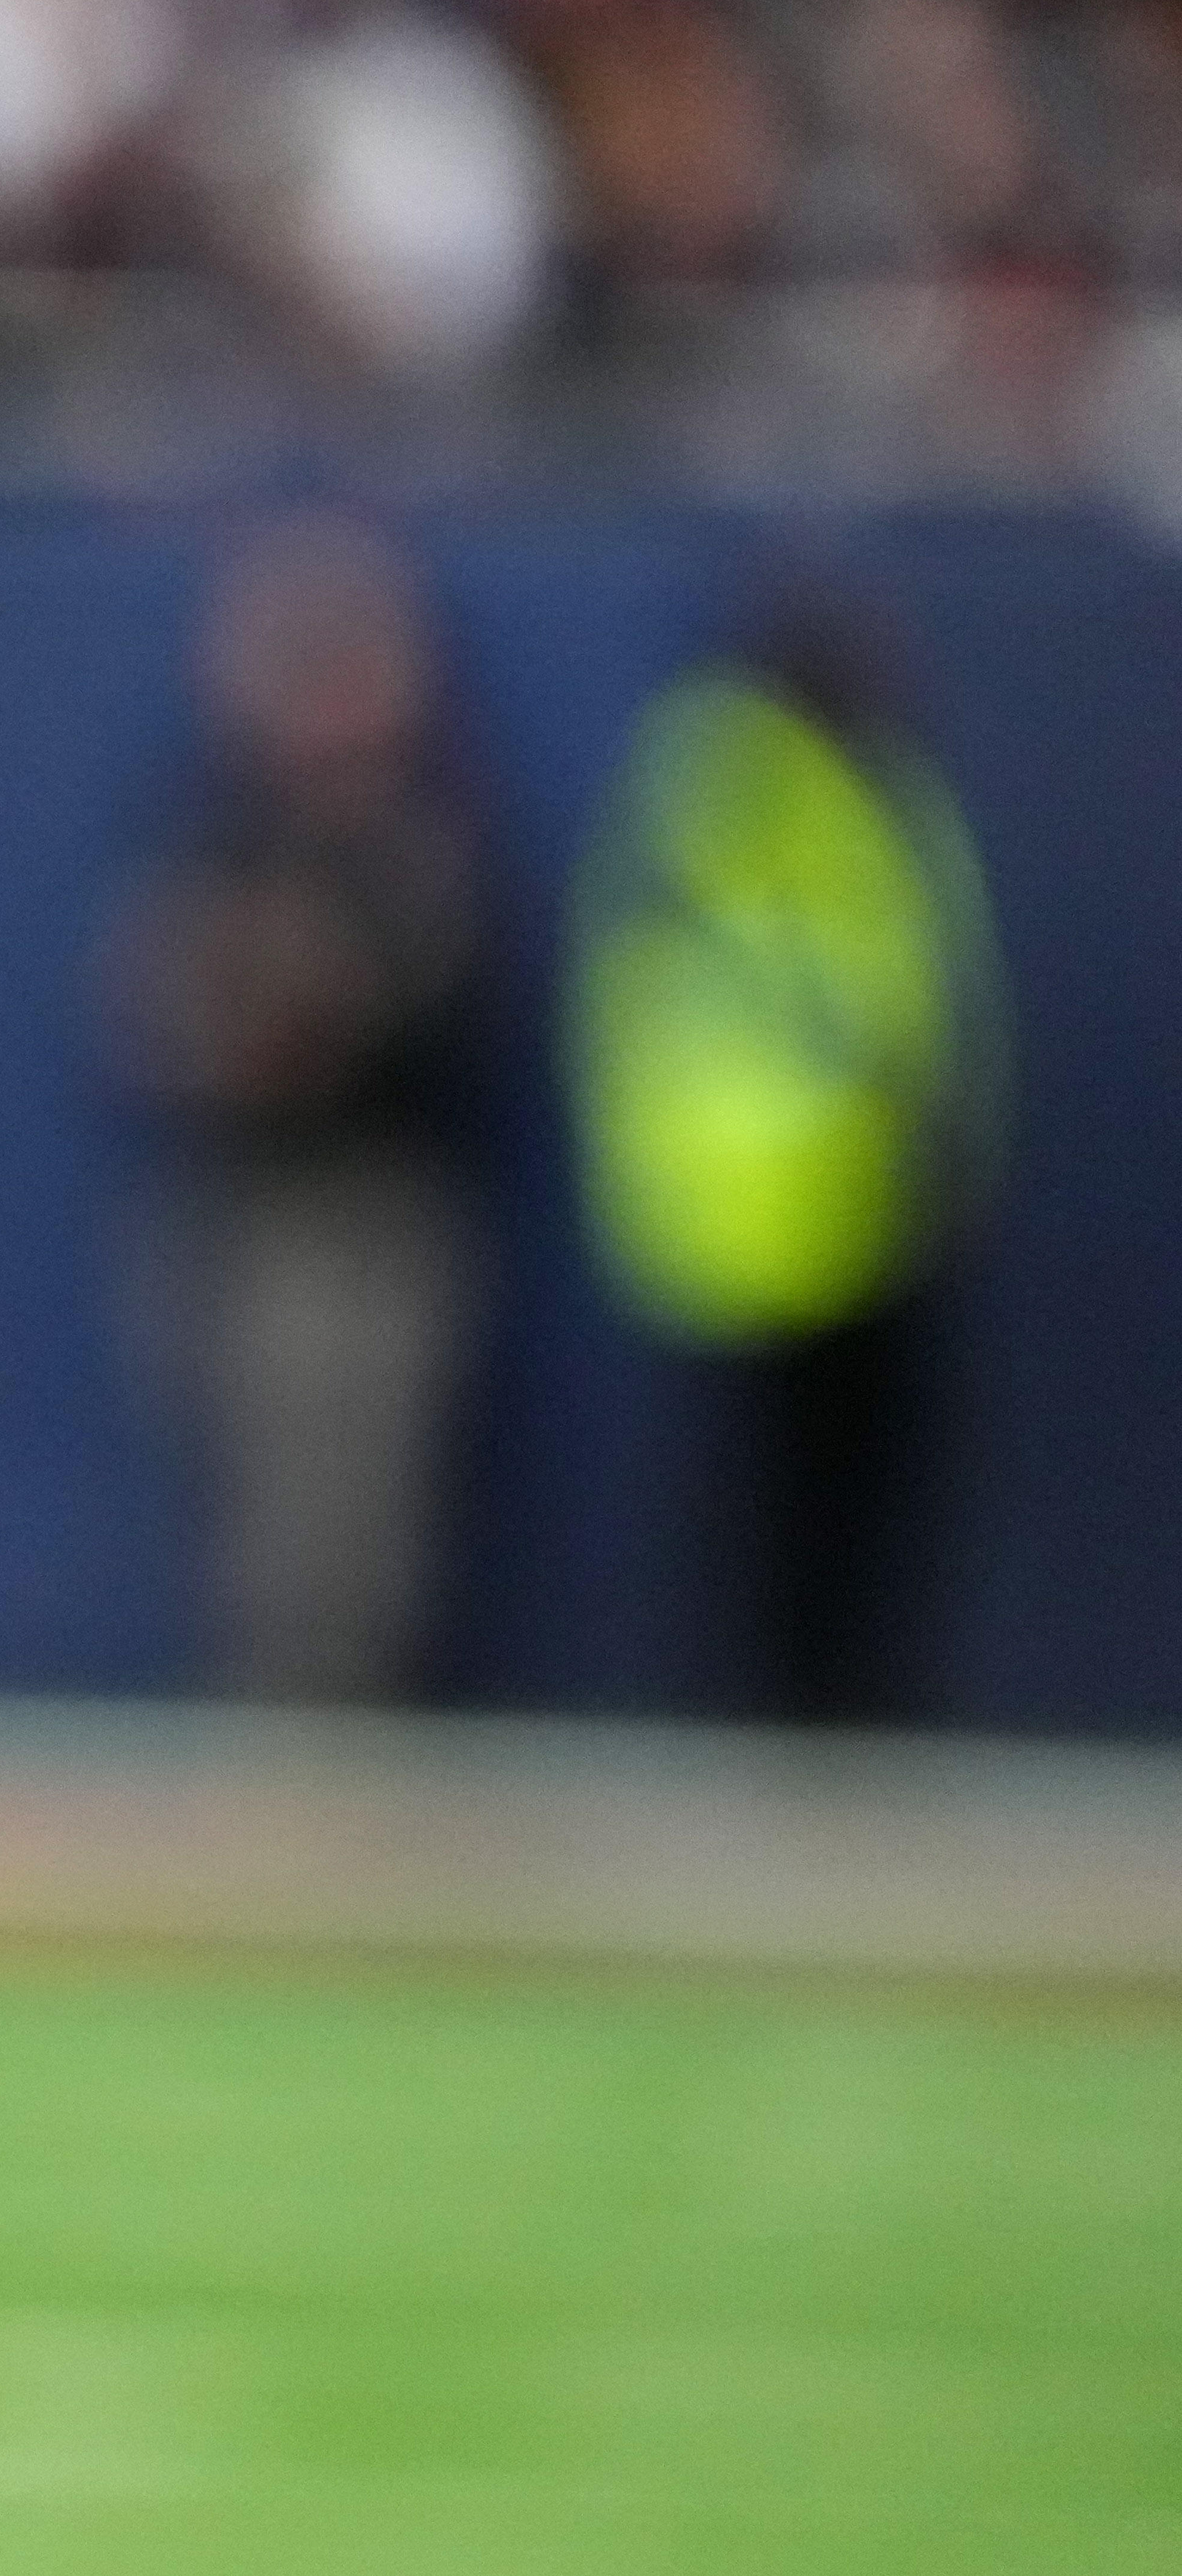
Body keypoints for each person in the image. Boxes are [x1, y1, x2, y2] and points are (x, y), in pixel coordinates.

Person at [565, 578, 1006, 1723]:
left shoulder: (851, 786)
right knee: (773, 1520)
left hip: (856, 1204)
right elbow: (835, 997)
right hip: (779, 1202)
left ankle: (821, 1732)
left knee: (843, 1515)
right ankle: (776, 1737)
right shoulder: (748, 785)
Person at [99, 513, 492, 1703]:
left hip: (360, 1212)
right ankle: (266, 1747)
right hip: (230, 1199)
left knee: (351, 1530)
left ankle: (335, 1747)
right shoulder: (211, 824)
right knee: (239, 1515)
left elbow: (371, 1012)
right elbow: (151, 1008)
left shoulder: (417, 830)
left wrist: (291, 1003)